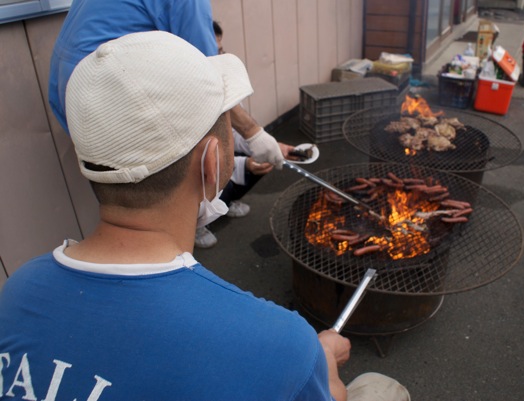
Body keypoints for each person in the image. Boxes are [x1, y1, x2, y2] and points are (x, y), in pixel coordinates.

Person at [0, 32, 410, 401]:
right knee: (381, 389)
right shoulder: (281, 345)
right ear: (213, 164)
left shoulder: (19, 290)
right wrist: (319, 366)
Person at [48, 0, 285, 169]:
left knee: (119, 185)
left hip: (70, 91)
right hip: (107, 95)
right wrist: (253, 134)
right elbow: (209, 75)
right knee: (151, 186)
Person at [195, 21, 297, 249]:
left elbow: (236, 134)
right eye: (211, 52)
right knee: (230, 173)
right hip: (198, 171)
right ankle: (195, 224)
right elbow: (199, 160)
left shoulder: (220, 86)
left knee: (263, 157)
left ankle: (227, 202)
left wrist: (269, 145)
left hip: (219, 159)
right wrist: (244, 164)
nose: (218, 57)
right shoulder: (191, 98)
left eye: (219, 51)